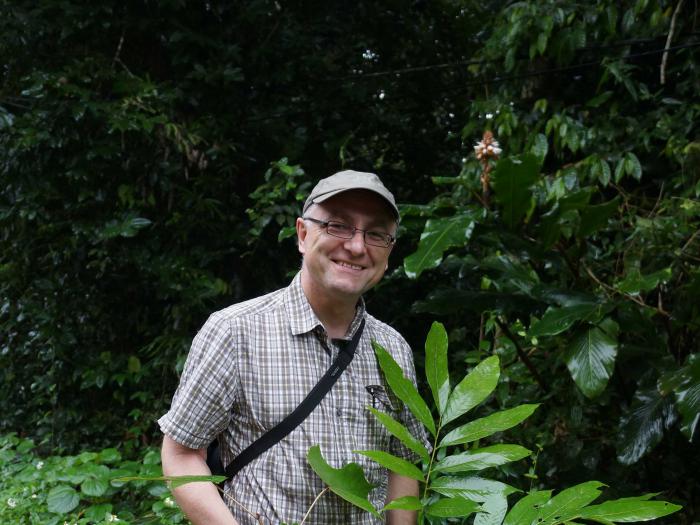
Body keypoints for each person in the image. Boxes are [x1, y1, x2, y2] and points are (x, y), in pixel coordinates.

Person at [159, 170, 428, 524]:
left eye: (376, 233)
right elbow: (181, 454)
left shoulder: (393, 350)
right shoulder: (235, 331)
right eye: (338, 225)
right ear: (302, 234)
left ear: (389, 251)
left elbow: (402, 463)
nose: (357, 246)